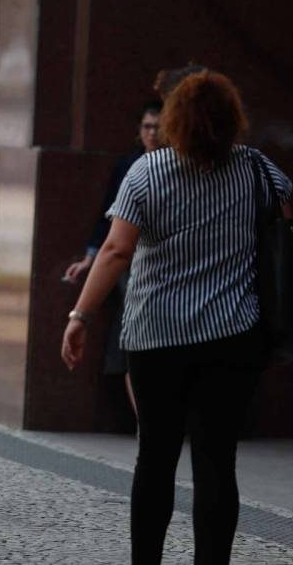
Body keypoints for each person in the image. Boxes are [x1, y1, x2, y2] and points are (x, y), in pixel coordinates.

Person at [61, 71, 293, 564]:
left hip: (156, 338)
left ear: (174, 120)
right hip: (232, 333)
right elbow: (286, 233)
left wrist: (81, 314)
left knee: (155, 455)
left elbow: (116, 250)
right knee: (217, 461)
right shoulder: (258, 169)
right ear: (233, 119)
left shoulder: (146, 172)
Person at [64, 101, 163, 415]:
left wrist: (79, 317)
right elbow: (109, 222)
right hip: (132, 264)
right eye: (147, 126)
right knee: (134, 337)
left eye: (158, 127)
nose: (152, 133)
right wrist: (91, 256)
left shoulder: (173, 168)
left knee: (142, 339)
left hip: (157, 266)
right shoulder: (130, 167)